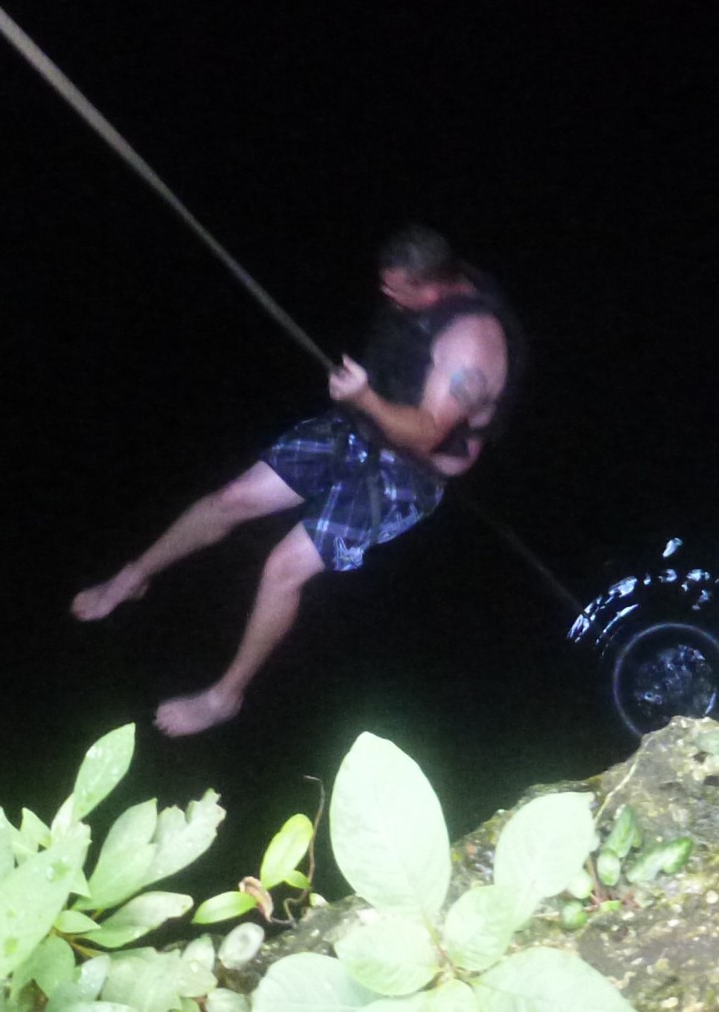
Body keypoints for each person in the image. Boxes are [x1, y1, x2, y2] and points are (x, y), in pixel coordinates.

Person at [71, 225, 516, 737]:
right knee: (231, 498)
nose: (386, 295)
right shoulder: (430, 290)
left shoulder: (474, 345)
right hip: (360, 426)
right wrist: (364, 405)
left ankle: (224, 696)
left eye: (397, 288)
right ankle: (132, 579)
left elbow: (427, 433)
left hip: (411, 469)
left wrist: (364, 397)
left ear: (433, 289)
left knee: (283, 566)